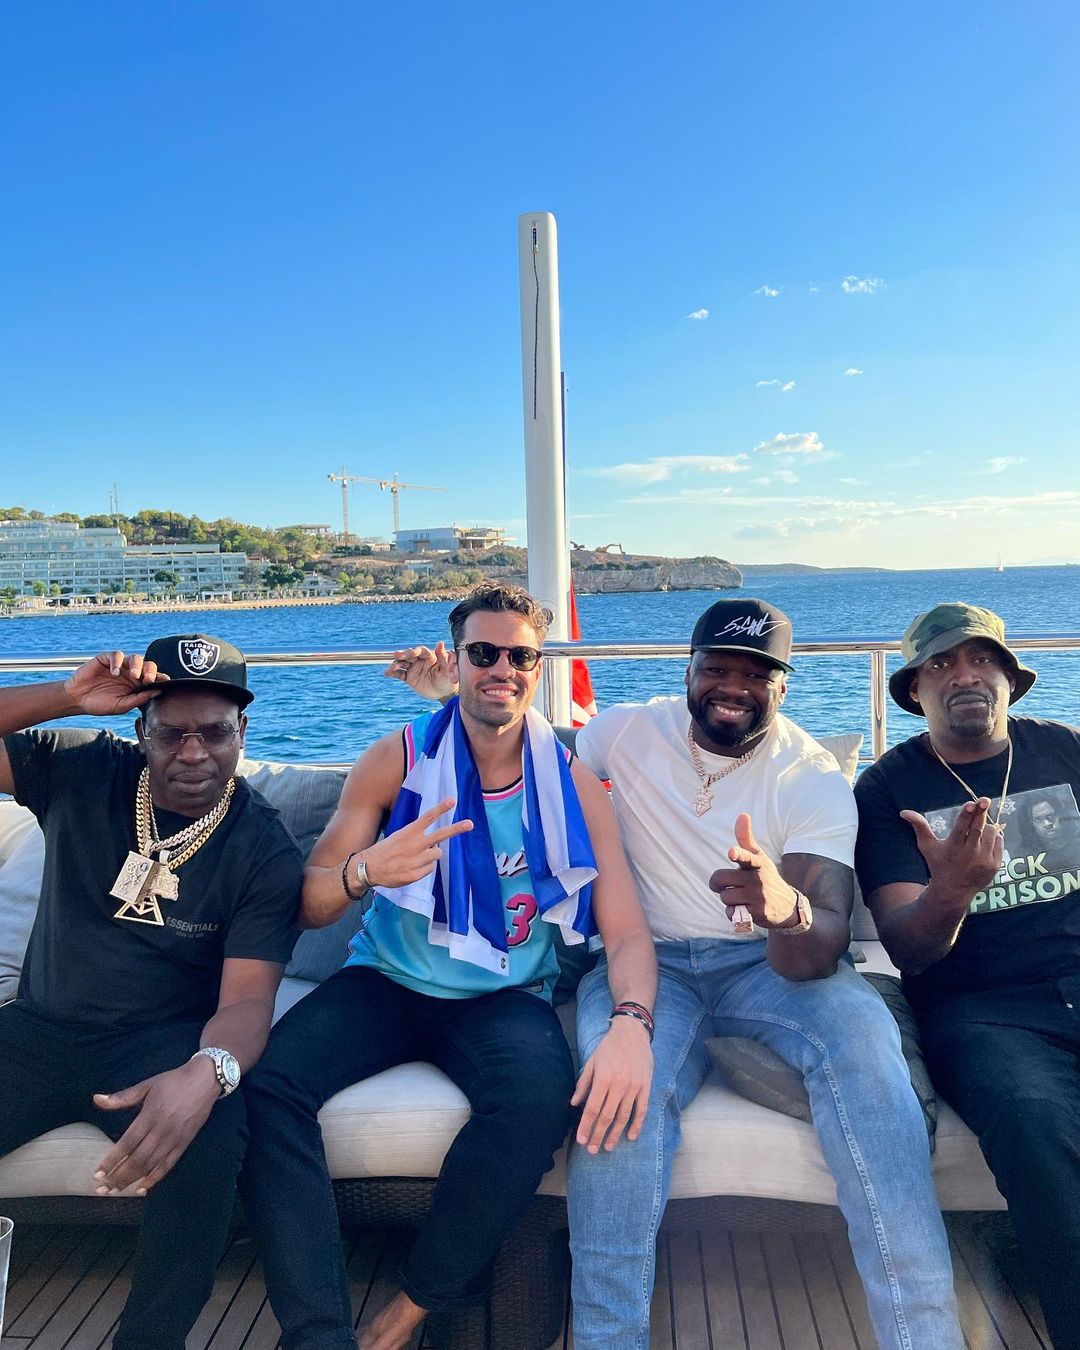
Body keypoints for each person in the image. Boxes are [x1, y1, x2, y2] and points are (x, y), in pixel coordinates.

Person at [389, 596, 962, 1350]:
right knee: (617, 1100)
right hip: (646, 961)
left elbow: (821, 946)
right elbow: (523, 761)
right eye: (717, 667)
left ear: (783, 686)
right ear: (688, 670)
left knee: (872, 1063)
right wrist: (451, 696)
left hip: (773, 966)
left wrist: (785, 907)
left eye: (756, 674)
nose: (733, 686)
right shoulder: (627, 732)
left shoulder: (810, 776)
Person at [240, 582, 657, 1350]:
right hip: (386, 982)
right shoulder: (395, 761)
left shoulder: (571, 784)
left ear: (538, 667)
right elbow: (310, 903)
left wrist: (632, 1023)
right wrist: (365, 871)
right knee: (265, 1088)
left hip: (506, 996)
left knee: (537, 1105)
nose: (502, 669)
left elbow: (626, 932)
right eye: (484, 653)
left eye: (520, 656)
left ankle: (411, 1308)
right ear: (457, 660)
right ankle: (319, 1332)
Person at [0, 634, 303, 1350]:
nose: (193, 753)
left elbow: (247, 1002)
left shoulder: (264, 847)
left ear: (243, 731)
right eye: (171, 733)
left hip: (161, 1045)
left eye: (215, 733)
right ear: (141, 731)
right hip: (39, 1027)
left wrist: (208, 1071)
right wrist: (67, 696)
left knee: (208, 1149)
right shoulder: (83, 767)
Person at [854, 601, 1080, 1350]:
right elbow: (909, 949)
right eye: (941, 664)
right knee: (1033, 1117)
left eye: (982, 659)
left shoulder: (1064, 750)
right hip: (981, 1008)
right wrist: (951, 889)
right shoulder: (888, 789)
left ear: (1010, 679)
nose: (964, 675)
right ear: (914, 690)